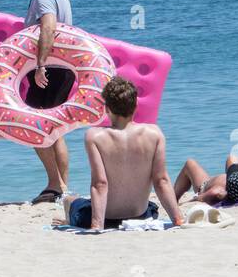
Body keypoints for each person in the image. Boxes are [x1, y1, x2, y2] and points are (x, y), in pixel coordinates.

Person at [64, 77, 182, 229]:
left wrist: (96, 225)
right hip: (140, 216)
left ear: (107, 109)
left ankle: (68, 218)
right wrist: (178, 219)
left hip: (106, 219)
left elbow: (100, 183)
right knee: (150, 205)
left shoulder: (94, 136)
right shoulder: (155, 133)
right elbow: (161, 181)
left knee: (70, 200)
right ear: (136, 105)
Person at [11, 0, 74, 205]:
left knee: (33, 126)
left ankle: (54, 184)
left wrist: (40, 65)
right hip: (64, 69)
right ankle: (62, 187)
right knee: (55, 130)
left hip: (51, 69)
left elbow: (48, 27)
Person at [173, 154, 238, 206]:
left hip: (204, 185)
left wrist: (183, 204)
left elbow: (199, 198)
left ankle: (174, 198)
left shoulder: (217, 192)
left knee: (190, 163)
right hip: (230, 183)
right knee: (232, 157)